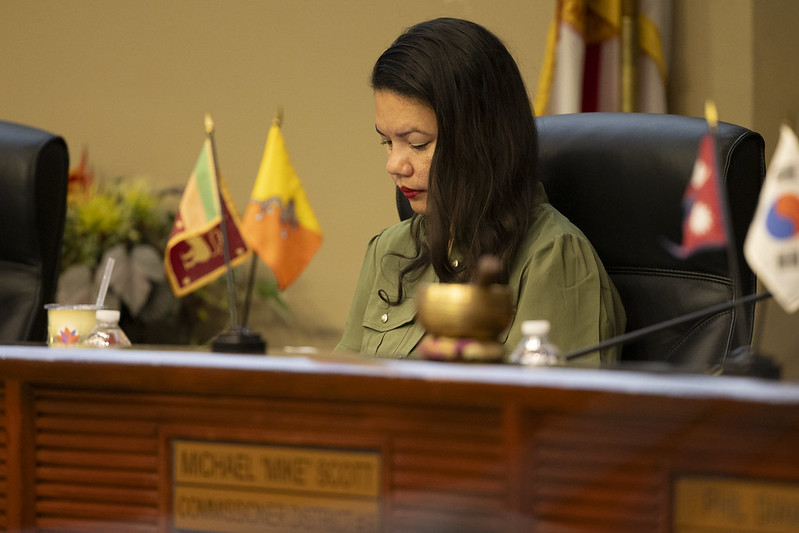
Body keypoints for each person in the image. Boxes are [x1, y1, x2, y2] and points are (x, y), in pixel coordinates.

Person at [335, 17, 625, 366]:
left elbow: (552, 415)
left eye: (417, 143)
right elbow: (340, 387)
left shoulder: (554, 256)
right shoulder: (388, 250)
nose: (395, 164)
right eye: (387, 141)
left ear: (482, 139)